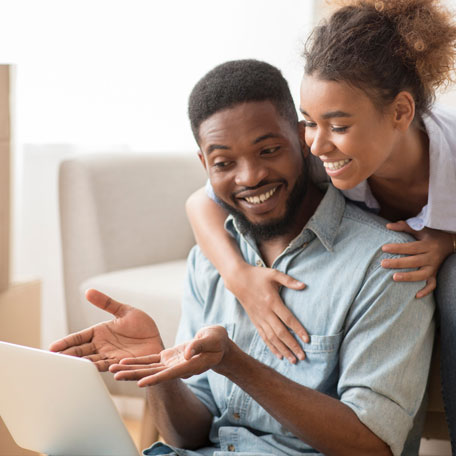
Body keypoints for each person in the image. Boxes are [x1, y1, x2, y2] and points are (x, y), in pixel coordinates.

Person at [51, 59, 435, 456]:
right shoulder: (208, 261)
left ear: (304, 141)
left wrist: (235, 363)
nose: (250, 177)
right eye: (224, 163)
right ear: (205, 165)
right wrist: (159, 367)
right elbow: (189, 436)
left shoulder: (386, 262)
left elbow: (373, 447)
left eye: (268, 150)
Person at [185, 0, 456, 448]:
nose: (317, 143)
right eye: (308, 123)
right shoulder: (319, 158)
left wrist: (447, 241)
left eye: (338, 125)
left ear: (401, 113)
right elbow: (203, 200)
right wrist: (240, 278)